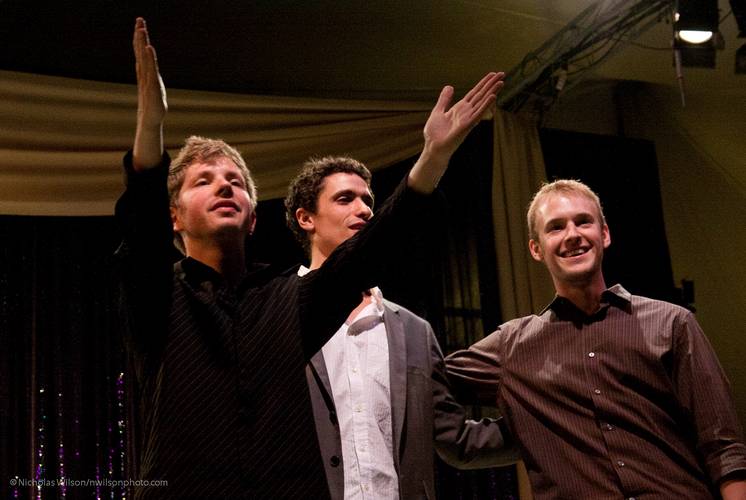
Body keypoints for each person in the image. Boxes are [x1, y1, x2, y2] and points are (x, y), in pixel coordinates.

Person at [118, 17, 504, 499]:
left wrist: (432, 159)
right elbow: (141, 240)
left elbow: (369, 252)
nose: (224, 185)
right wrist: (151, 127)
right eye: (204, 181)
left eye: (237, 182)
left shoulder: (287, 300)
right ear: (173, 217)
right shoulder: (157, 297)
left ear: (253, 220)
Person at [445, 179, 746, 499]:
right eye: (556, 227)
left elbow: (722, 446)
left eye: (583, 221)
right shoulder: (513, 347)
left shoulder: (671, 323)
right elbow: (425, 377)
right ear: (536, 249)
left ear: (604, 234)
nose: (573, 235)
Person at [284, 157, 517, 499]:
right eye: (345, 199)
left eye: (368, 201)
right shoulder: (277, 313)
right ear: (306, 218)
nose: (363, 209)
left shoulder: (413, 331)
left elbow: (455, 439)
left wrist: (548, 428)